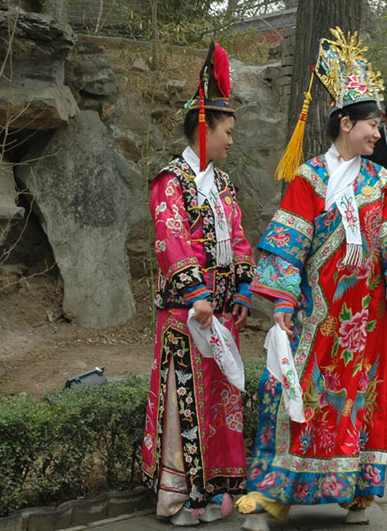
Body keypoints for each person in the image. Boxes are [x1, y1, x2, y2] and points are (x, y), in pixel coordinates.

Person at [239, 30, 387, 530]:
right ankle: (273, 497)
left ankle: (356, 492)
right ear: (345, 123)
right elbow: (286, 245)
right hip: (314, 316)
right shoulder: (309, 179)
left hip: (362, 321)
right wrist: (280, 301)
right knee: (297, 399)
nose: (377, 135)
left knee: (358, 402)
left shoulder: (380, 181)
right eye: (371, 125)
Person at [142, 42, 254, 526]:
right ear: (203, 129)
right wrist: (198, 296)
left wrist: (243, 292)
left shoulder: (223, 184)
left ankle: (214, 495)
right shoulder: (171, 182)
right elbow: (172, 238)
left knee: (220, 406)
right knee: (186, 406)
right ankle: (181, 496)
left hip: (221, 316)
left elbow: (242, 240)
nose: (232, 140)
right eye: (227, 132)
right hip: (188, 318)